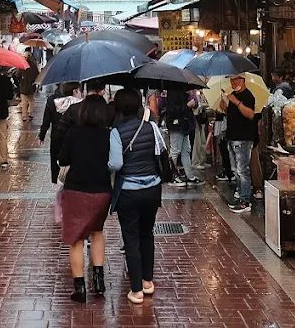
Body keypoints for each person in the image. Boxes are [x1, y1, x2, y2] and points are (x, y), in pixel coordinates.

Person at [57, 95, 114, 303]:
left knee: (76, 239)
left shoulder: (74, 133)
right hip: (101, 191)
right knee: (97, 233)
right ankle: (98, 281)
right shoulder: (108, 135)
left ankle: (80, 287)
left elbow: (63, 159)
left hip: (76, 191)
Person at [110, 88, 165, 304]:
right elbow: (160, 151)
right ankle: (147, 281)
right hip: (152, 188)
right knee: (147, 234)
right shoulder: (151, 127)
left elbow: (116, 164)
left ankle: (136, 290)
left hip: (129, 192)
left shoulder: (116, 131)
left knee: (131, 238)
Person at [219, 74, 258, 213]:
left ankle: (245, 201)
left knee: (243, 170)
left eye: (235, 79)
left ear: (242, 79)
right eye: (231, 80)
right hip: (232, 136)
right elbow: (232, 114)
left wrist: (236, 102)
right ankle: (240, 193)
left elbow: (250, 114)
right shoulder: (233, 95)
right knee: (236, 170)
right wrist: (225, 107)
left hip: (243, 138)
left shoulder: (248, 96)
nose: (233, 82)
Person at [40, 82, 82, 183]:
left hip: (57, 137)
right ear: (75, 90)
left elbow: (46, 119)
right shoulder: (80, 104)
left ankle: (58, 182)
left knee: (57, 162)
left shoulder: (52, 100)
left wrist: (42, 134)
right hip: (74, 139)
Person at [162, 89, 199, 185]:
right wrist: (187, 106)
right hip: (177, 125)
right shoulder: (174, 91)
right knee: (175, 151)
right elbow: (172, 110)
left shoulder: (185, 92)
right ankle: (172, 176)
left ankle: (189, 175)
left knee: (185, 150)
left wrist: (193, 102)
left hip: (184, 125)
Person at [18, 57, 40, 126]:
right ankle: (30, 113)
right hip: (31, 87)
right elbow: (37, 75)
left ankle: (24, 116)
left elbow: (17, 75)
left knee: (24, 102)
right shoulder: (34, 67)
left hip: (23, 87)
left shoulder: (22, 66)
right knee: (31, 100)